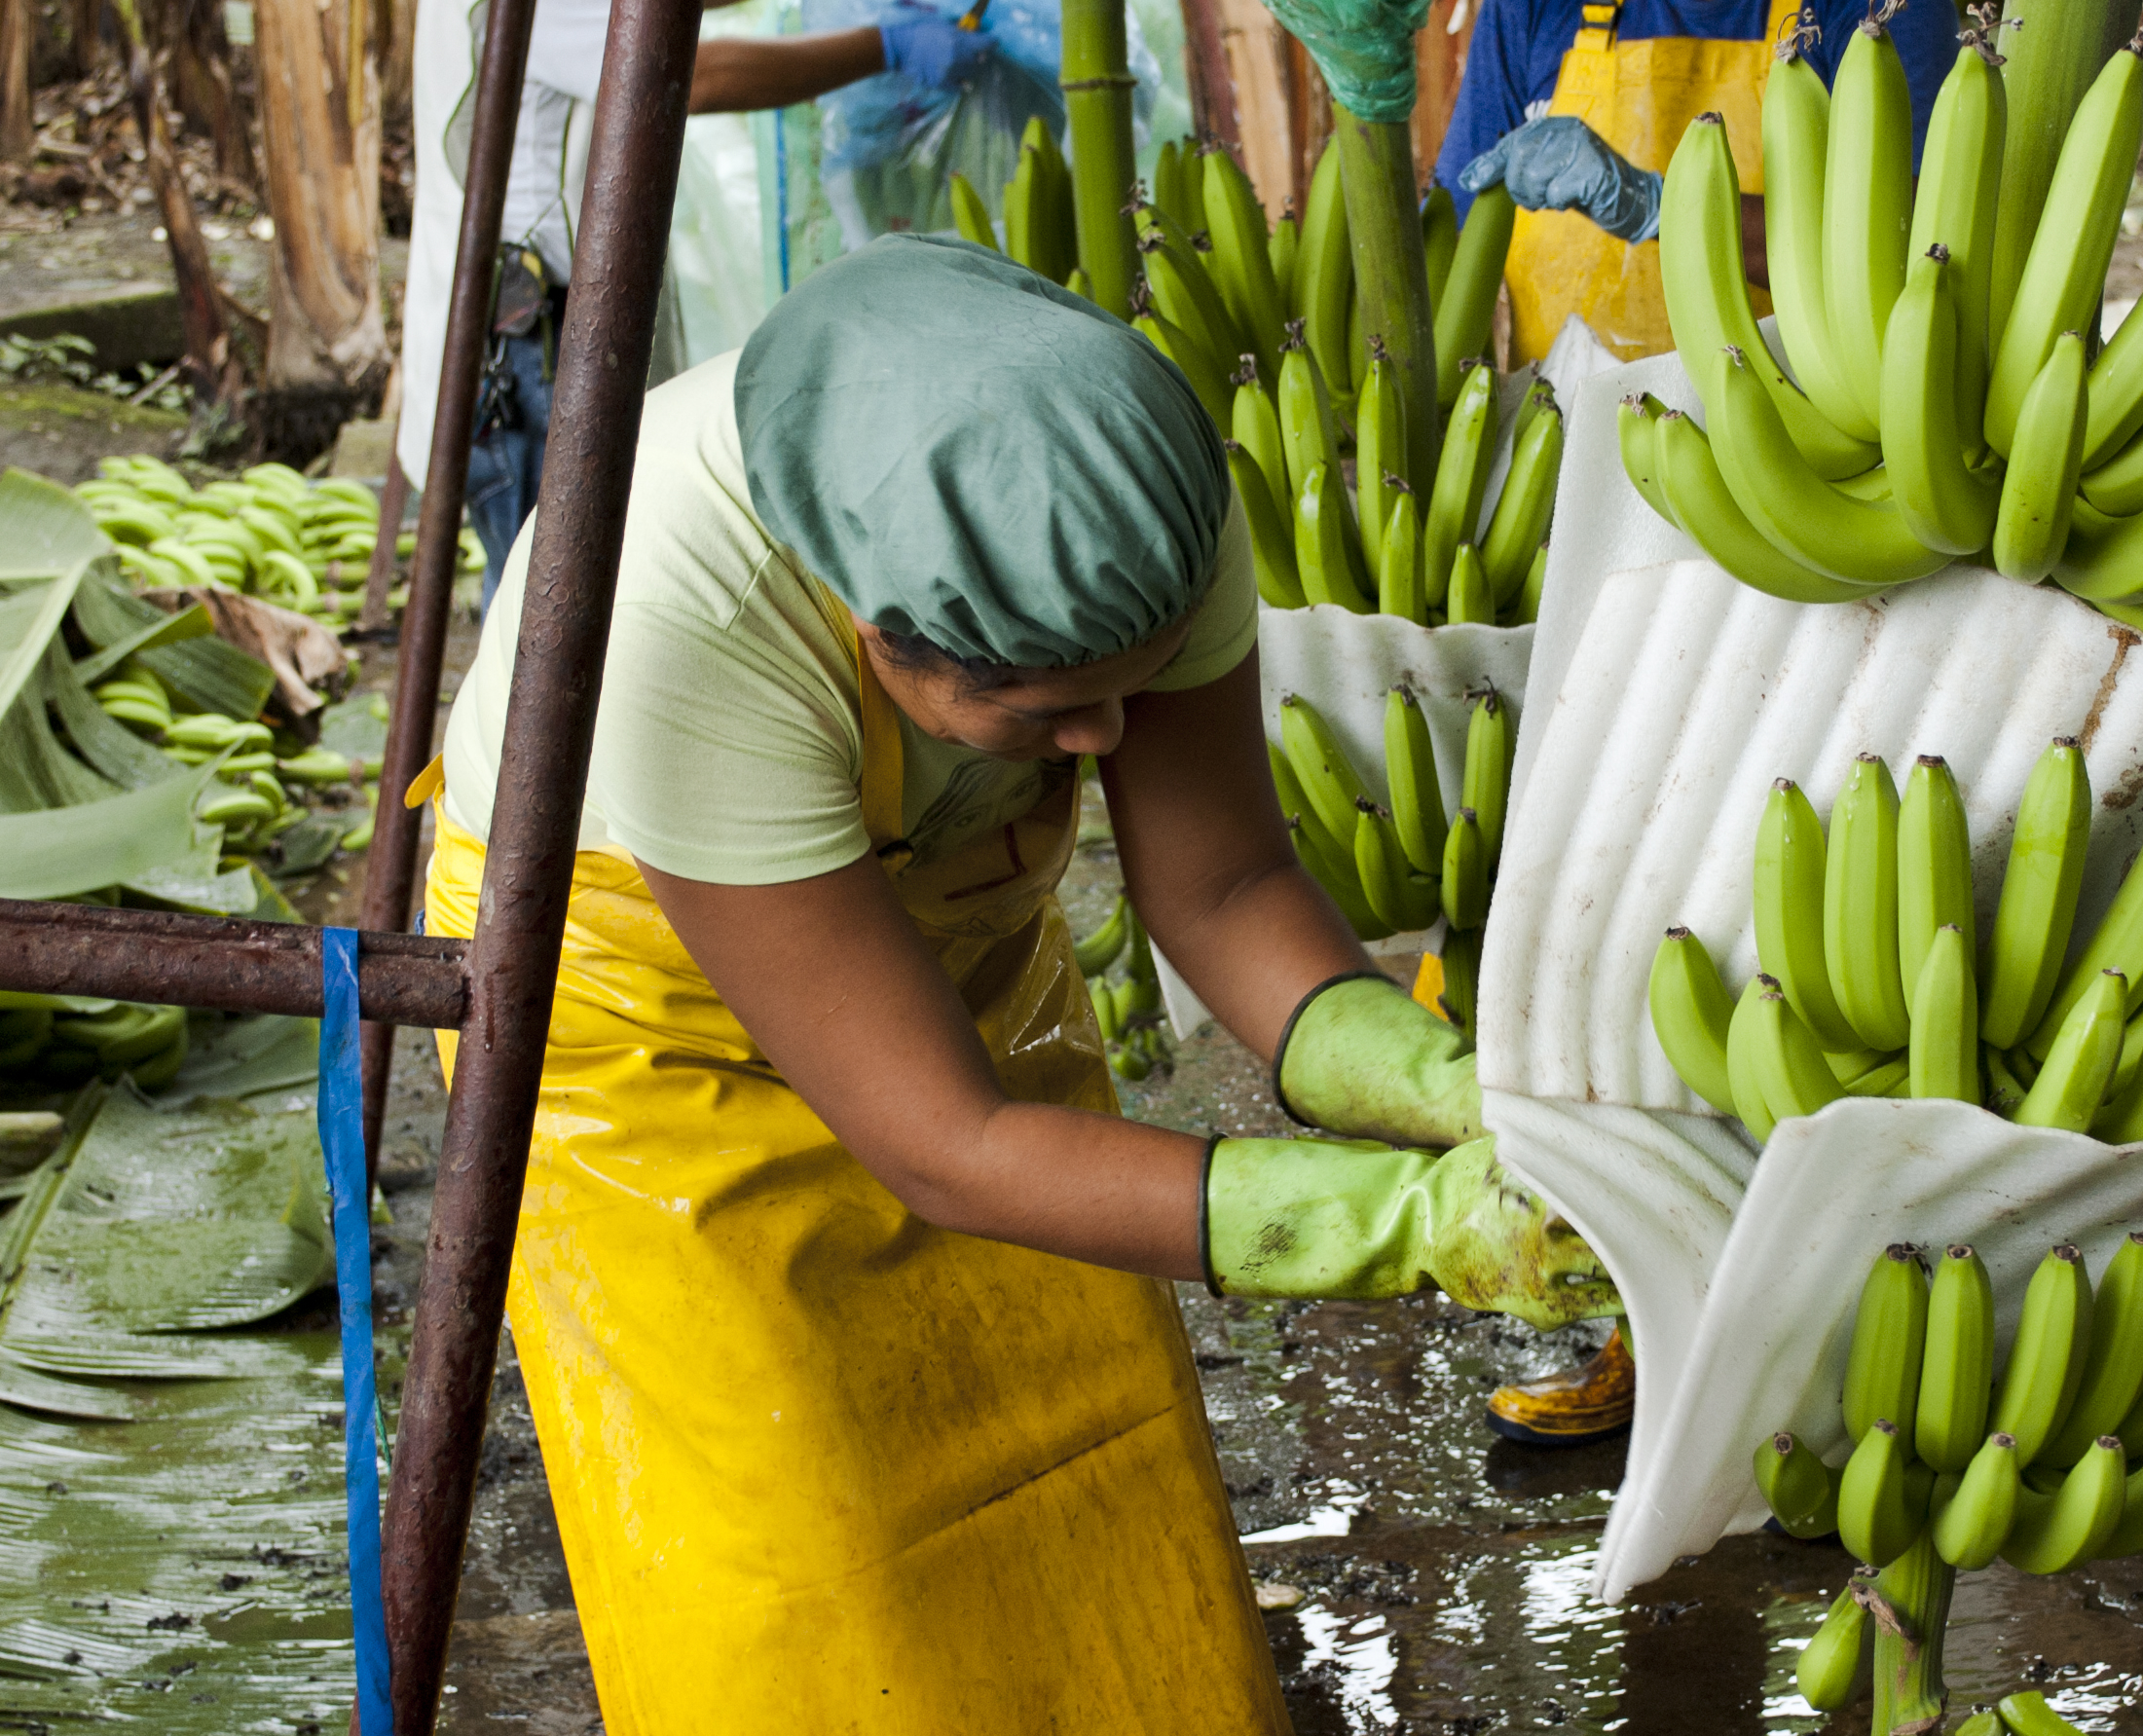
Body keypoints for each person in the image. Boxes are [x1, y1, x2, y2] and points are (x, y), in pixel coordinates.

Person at [414, 235, 1620, 1728]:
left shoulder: (1133, 507)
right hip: (641, 1027)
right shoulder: (677, 616)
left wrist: (1445, 1090)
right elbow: (945, 1141)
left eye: (1140, 682)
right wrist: (1393, 1224)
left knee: (1091, 1483)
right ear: (873, 633)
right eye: (1049, 712)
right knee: (806, 1553)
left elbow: (1225, 885)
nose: (1109, 743)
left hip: (952, 956)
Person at [1433, 0, 1957, 1447]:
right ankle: (1598, 1285)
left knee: (1770, 914)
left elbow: (1917, 253)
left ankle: (1812, 1312)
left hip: (1796, 493)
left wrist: (1660, 210)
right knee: (1573, 899)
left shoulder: (1870, 13)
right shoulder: (1537, 12)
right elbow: (1456, 232)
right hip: (1574, 491)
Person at [397, 0, 997, 609]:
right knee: (552, 602)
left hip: (513, 319)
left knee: (551, 591)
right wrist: (882, 47)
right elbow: (688, 73)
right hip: (530, 348)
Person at [1437, 0, 1961, 366]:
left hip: (1797, 445)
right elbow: (1449, 244)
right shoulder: (1533, 9)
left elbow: (1904, 253)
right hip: (1550, 446)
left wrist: (1671, 212)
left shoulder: (1879, 12)